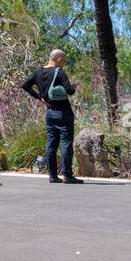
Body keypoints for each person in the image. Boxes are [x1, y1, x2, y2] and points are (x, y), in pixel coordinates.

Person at [21, 48, 83, 183]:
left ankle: (53, 176)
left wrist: (39, 97)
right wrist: (73, 87)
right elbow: (70, 91)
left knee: (51, 143)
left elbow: (25, 85)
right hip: (64, 112)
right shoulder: (59, 72)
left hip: (49, 113)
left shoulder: (37, 72)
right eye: (64, 61)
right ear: (58, 59)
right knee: (66, 143)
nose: (64, 63)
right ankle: (67, 175)